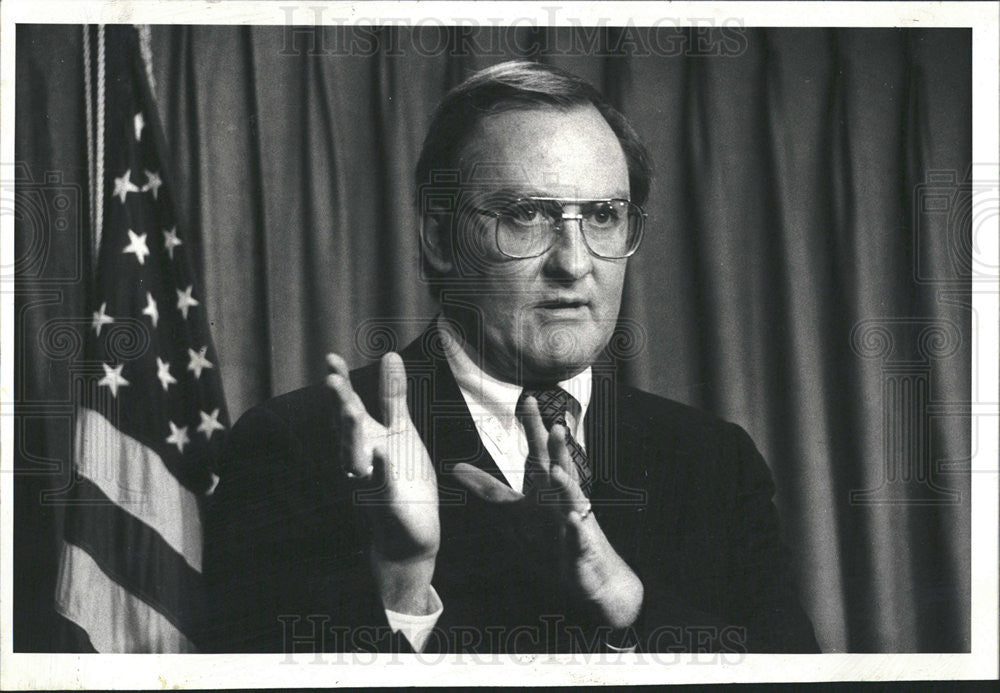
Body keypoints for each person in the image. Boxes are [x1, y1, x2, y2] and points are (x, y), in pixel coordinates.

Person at [202, 60, 819, 654]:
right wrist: (404, 578)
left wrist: (626, 602)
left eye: (604, 215)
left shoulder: (714, 460)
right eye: (526, 215)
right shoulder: (295, 444)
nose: (575, 264)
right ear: (440, 239)